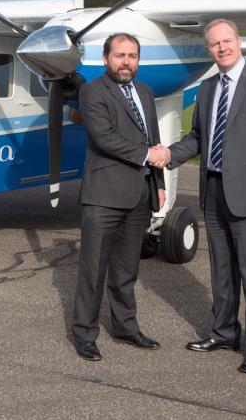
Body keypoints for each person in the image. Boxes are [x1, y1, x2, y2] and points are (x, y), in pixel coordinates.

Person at [152, 18, 246, 374]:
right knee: (222, 270)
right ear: (209, 49)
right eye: (214, 44)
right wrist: (169, 153)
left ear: (239, 41)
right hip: (214, 190)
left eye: (226, 41)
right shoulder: (209, 87)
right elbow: (200, 137)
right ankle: (224, 332)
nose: (221, 48)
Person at [71, 32, 167, 361]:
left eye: (132, 56)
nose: (126, 62)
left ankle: (126, 327)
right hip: (104, 196)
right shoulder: (93, 92)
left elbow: (152, 138)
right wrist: (149, 157)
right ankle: (84, 333)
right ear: (106, 58)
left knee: (126, 270)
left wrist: (159, 181)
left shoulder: (145, 92)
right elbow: (105, 138)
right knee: (93, 269)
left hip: (139, 194)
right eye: (120, 55)